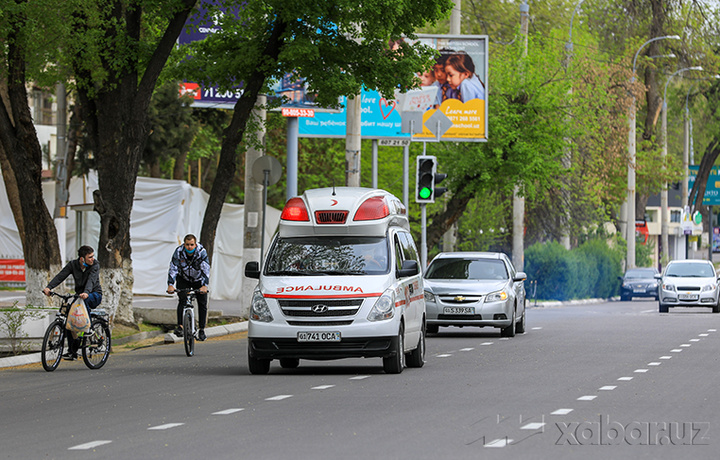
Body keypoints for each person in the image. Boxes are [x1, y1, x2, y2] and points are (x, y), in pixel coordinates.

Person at [43, 245, 103, 361]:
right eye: (89, 257)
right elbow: (61, 276)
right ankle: (72, 351)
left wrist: (86, 292)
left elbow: (91, 280)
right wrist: (49, 287)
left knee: (84, 300)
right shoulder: (73, 265)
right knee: (69, 318)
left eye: (92, 256)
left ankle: (89, 329)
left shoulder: (95, 265)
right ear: (82, 259)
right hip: (80, 296)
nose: (92, 259)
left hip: (94, 295)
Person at [167, 234, 210, 341]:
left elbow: (205, 269)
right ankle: (180, 326)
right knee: (182, 299)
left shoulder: (201, 252)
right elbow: (173, 267)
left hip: (198, 280)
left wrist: (204, 285)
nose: (189, 247)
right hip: (184, 279)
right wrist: (170, 285)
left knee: (202, 302)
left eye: (191, 245)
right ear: (184, 244)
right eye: (187, 245)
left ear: (195, 244)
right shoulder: (179, 252)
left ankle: (201, 329)